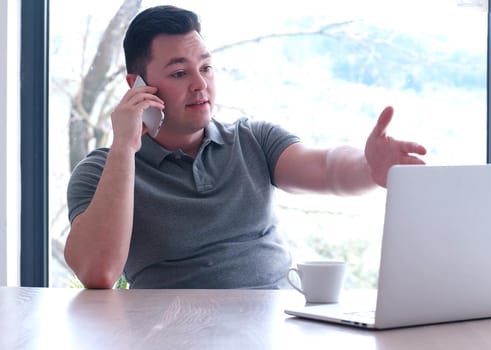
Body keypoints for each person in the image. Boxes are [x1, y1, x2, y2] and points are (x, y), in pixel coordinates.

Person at [64, 5, 427, 289]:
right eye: (179, 73)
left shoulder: (253, 140)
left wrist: (369, 168)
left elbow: (328, 168)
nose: (200, 85)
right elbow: (99, 273)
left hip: (275, 328)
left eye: (206, 68)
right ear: (138, 85)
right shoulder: (104, 170)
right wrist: (125, 148)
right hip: (173, 333)